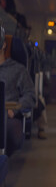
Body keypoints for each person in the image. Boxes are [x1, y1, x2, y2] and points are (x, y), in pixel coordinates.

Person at [0, 27, 36, 156]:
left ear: (4, 44)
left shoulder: (18, 70)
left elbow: (31, 96)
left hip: (6, 117)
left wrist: (13, 110)